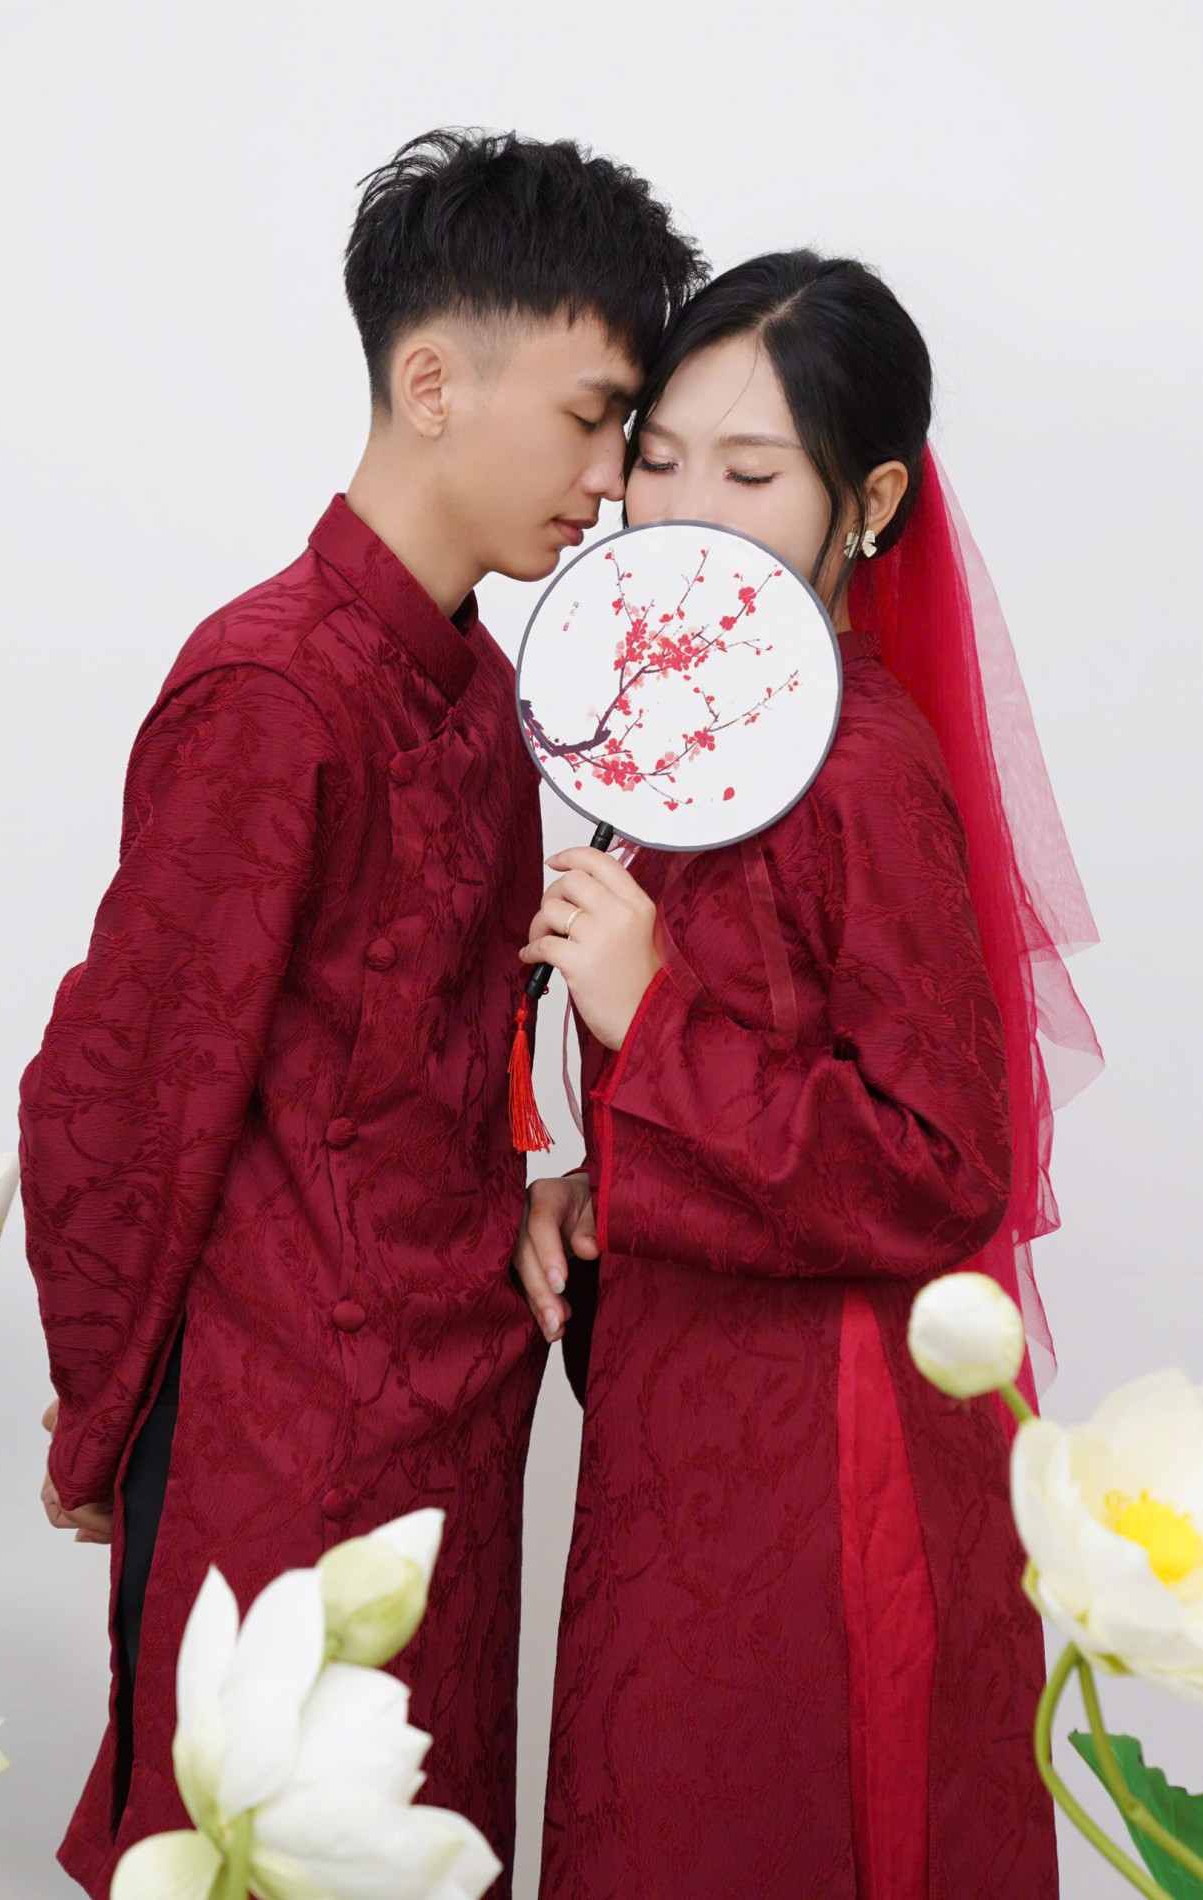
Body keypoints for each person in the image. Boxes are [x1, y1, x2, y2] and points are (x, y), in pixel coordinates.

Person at [19, 127, 704, 1900]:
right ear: (431, 383)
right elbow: (122, 1093)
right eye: (590, 417)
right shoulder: (270, 685)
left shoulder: (479, 688)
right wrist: (103, 1415)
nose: (611, 479)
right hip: (278, 1431)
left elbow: (453, 1068)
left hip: (453, 1431)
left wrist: (551, 1181)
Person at [514, 250, 1102, 1897]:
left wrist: (650, 1015)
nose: (684, 510)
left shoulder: (857, 764)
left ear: (872, 502)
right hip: (688, 1421)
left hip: (820, 1453)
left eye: (751, 472)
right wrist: (591, 1183)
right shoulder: (700, 739)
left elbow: (938, 1163)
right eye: (657, 458)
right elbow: (751, 1075)